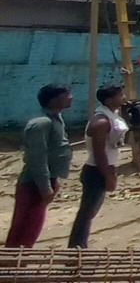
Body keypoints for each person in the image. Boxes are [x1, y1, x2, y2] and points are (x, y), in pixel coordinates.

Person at [5, 83, 73, 248]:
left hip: (46, 180)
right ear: (54, 99)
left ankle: (18, 265)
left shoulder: (55, 119)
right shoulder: (41, 123)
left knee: (32, 228)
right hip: (33, 184)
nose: (71, 97)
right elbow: (37, 158)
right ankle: (12, 266)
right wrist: (45, 187)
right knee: (25, 228)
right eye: (67, 94)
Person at [68, 84, 128, 248]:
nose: (124, 97)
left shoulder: (111, 115)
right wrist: (108, 176)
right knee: (86, 213)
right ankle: (76, 250)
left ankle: (79, 247)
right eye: (120, 95)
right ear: (109, 100)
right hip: (97, 170)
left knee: (90, 212)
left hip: (104, 168)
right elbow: (99, 152)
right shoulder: (101, 122)